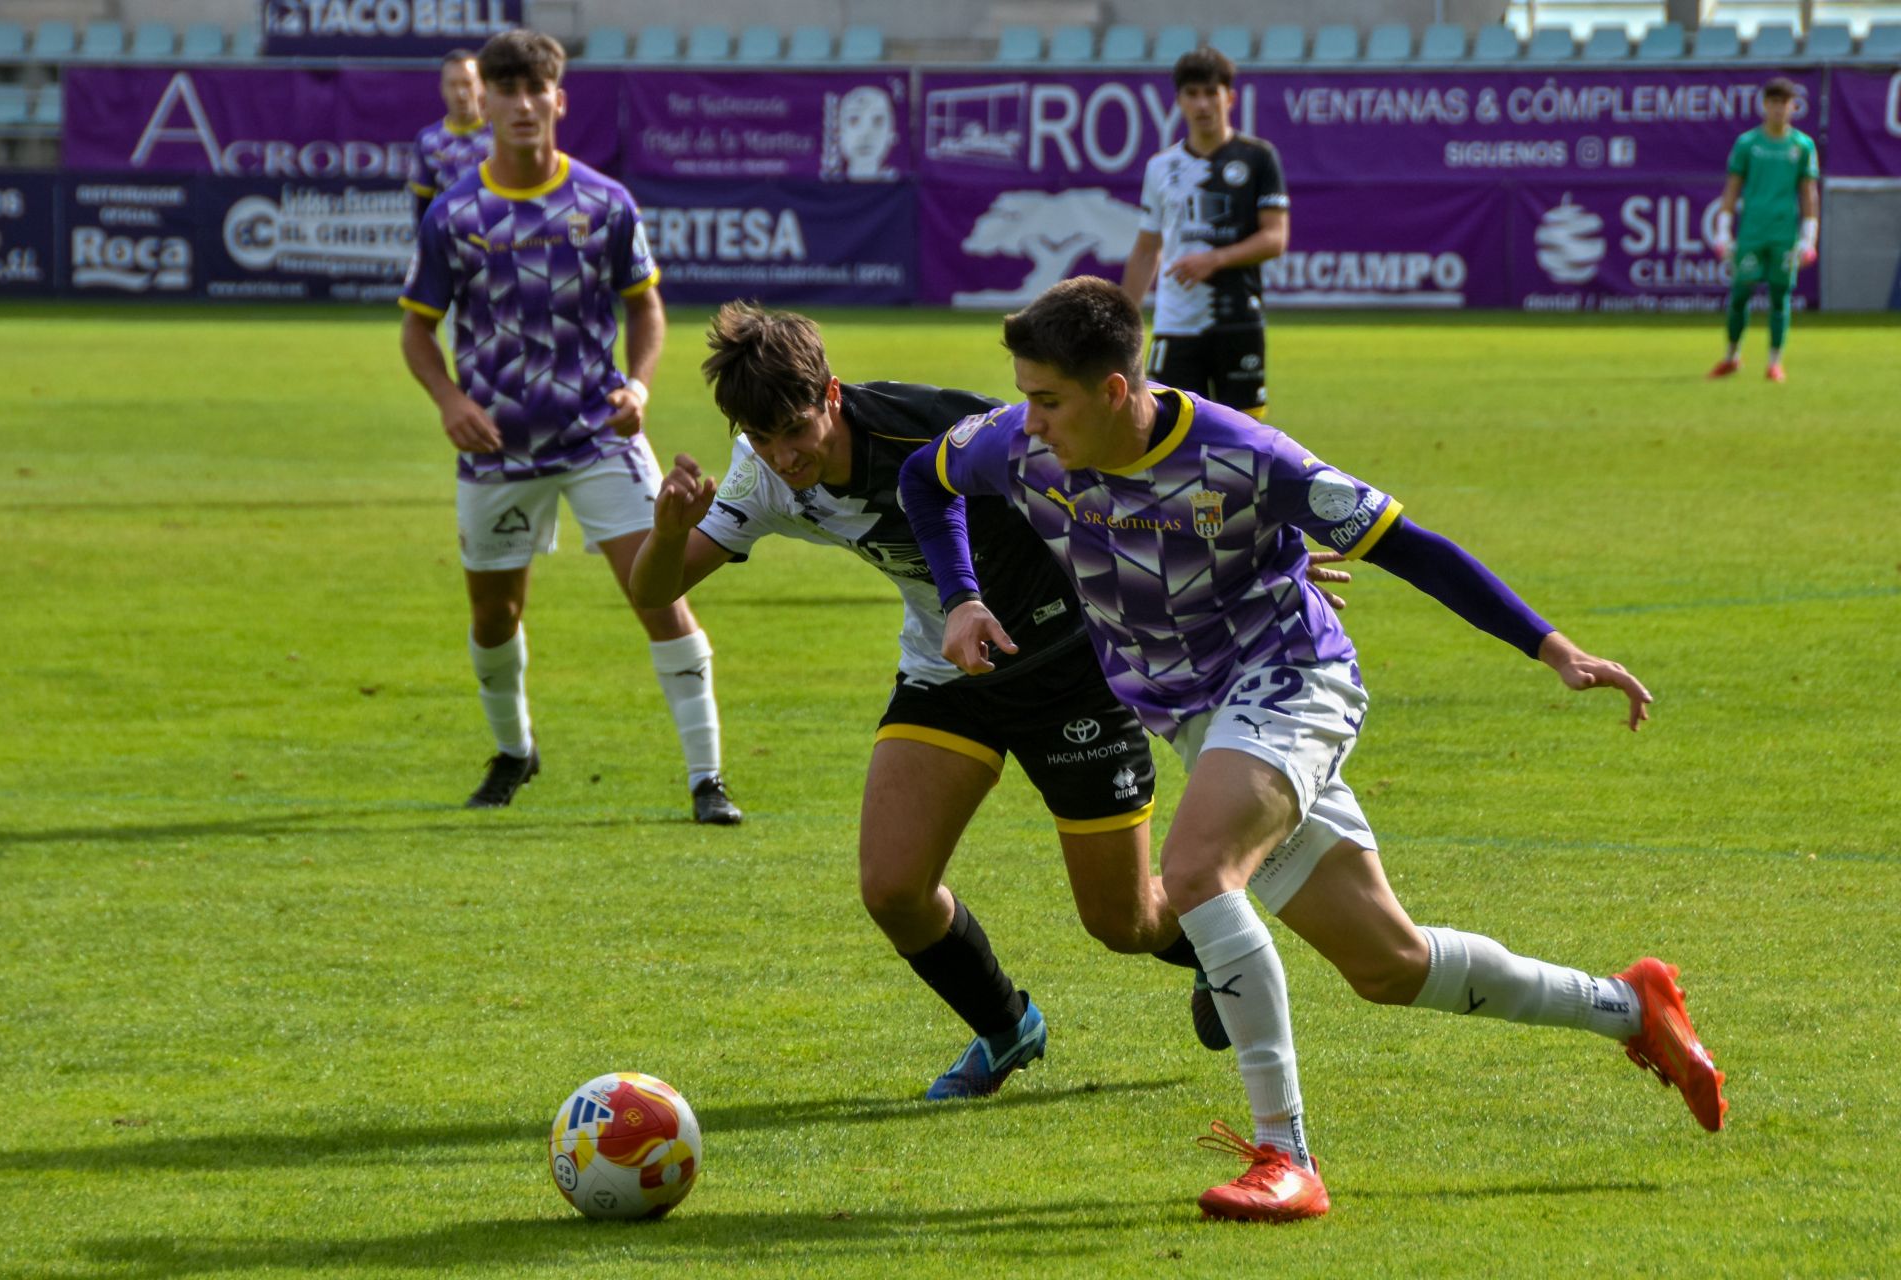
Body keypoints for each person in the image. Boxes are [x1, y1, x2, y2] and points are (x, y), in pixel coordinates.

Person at [899, 277, 1727, 1223]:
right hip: (1201, 721)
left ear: (1116, 393)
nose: (1028, 421)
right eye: (1025, 397)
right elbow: (926, 480)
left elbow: (1409, 544)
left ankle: (1284, 1154)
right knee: (1390, 966)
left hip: (1293, 682)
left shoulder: (1246, 458)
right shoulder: (1018, 445)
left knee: (1198, 870)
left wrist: (1552, 646)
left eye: (1048, 400)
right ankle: (1632, 1005)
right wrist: (962, 595)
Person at [628, 304, 1340, 1096]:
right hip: (951, 670)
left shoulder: (934, 428)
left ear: (831, 395)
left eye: (795, 431)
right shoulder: (760, 472)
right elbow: (657, 590)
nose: (783, 457)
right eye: (762, 441)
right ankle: (1006, 1027)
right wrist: (666, 532)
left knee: (1123, 921)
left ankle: (1213, 943)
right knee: (892, 889)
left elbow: (1123, 447)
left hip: (1075, 669)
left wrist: (1247, 541)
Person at [397, 29, 740, 824]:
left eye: (534, 89)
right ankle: (515, 751)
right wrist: (451, 402)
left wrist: (641, 386)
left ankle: (708, 779)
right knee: (494, 614)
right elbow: (417, 329)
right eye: (505, 90)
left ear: (559, 99)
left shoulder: (604, 203)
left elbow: (645, 304)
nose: (521, 104)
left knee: (660, 593)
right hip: (499, 451)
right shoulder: (454, 215)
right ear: (486, 103)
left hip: (598, 439)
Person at [1119, 47, 1288, 417]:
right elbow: (1147, 249)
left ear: (1229, 97)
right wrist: (1122, 322)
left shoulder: (1258, 157)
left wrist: (1216, 259)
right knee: (1167, 428)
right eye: (1192, 94)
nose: (1203, 104)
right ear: (1178, 101)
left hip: (1238, 318)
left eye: (1211, 93)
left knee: (1245, 432)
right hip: (1175, 323)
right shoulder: (1160, 167)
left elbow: (1275, 238)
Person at [1708, 77, 1819, 383]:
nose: (1778, 109)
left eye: (1784, 104)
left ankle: (1774, 362)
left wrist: (1809, 237)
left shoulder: (1802, 146)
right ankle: (1731, 356)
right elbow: (1732, 187)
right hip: (1752, 232)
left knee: (1780, 297)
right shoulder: (1748, 144)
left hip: (1784, 233)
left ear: (1793, 107)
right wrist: (1723, 230)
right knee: (1741, 293)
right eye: (1773, 103)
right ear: (1764, 106)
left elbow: (1808, 193)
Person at [406, 49, 493, 226]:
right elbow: (423, 207)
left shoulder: (502, 133)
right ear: (442, 89)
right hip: (452, 242)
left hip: (499, 240)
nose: (460, 93)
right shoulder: (429, 140)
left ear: (482, 87)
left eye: (467, 83)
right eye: (453, 85)